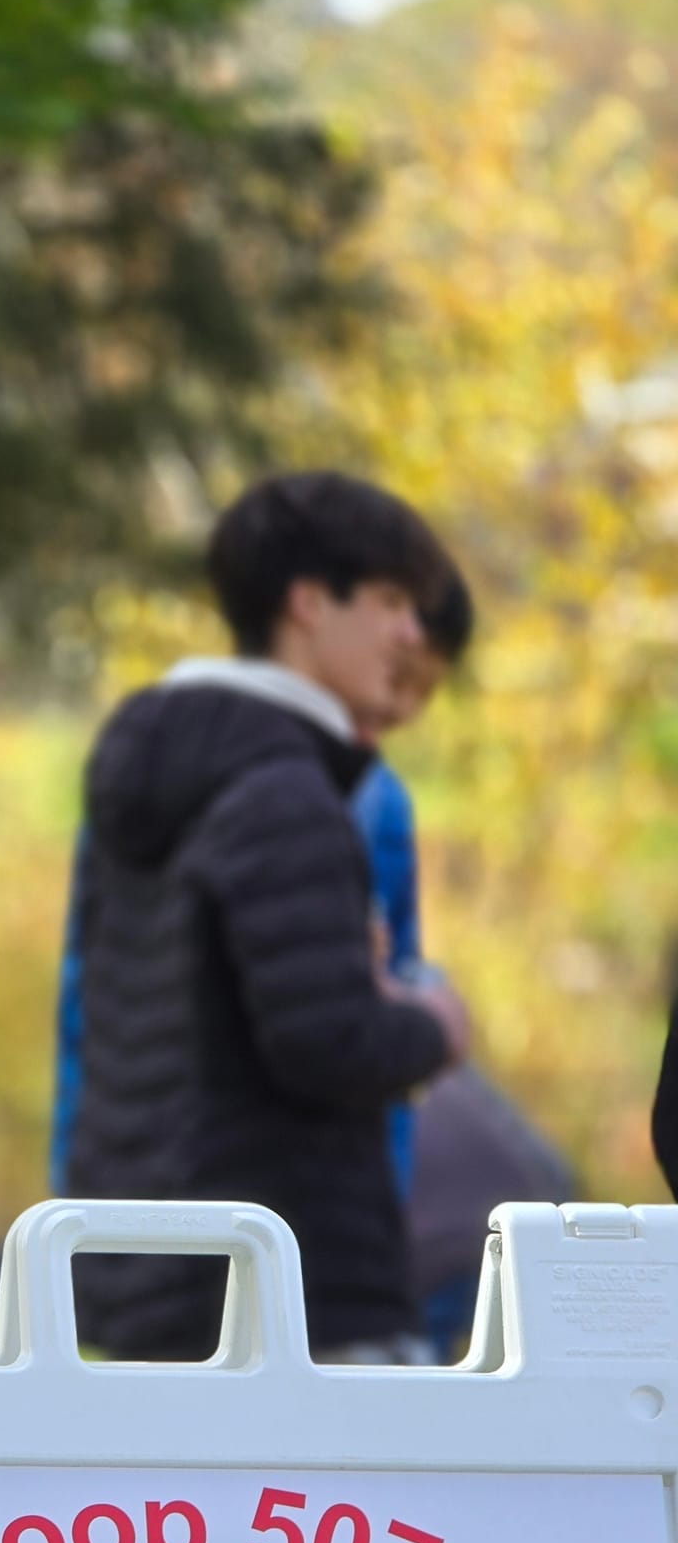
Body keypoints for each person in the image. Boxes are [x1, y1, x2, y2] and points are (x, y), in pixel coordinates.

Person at [60, 470, 470, 1362]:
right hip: (293, 1297)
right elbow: (328, 1043)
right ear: (309, 603)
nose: (408, 633)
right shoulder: (283, 793)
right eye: (391, 600)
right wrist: (433, 1023)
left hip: (154, 1277)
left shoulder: (161, 769)